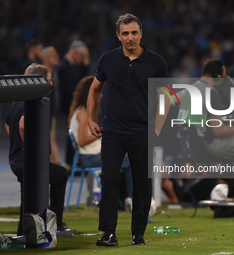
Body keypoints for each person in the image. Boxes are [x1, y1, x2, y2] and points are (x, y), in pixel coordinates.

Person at [87, 13, 168, 246]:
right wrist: (92, 119)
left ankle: (138, 234)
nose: (130, 37)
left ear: (141, 34)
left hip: (143, 132)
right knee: (110, 178)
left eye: (134, 32)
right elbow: (94, 90)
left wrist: (159, 127)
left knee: (143, 183)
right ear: (118, 36)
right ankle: (108, 233)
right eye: (125, 33)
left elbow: (167, 98)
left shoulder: (156, 62)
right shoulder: (107, 59)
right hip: (112, 131)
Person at [177, 59, 234, 202]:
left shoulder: (190, 90)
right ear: (219, 76)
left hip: (192, 146)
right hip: (207, 145)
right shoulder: (211, 92)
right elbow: (218, 130)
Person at [5, 63, 70, 235]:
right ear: (40, 81)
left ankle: (24, 232)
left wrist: (16, 144)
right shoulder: (34, 101)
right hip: (29, 160)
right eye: (49, 79)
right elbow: (22, 125)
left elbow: (7, 124)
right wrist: (30, 149)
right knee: (61, 175)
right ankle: (56, 223)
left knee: (26, 197)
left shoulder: (17, 100)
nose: (51, 83)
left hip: (16, 159)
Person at [68, 76, 133, 210]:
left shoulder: (83, 112)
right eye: (99, 91)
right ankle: (130, 198)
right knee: (131, 160)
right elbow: (82, 141)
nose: (102, 95)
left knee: (125, 158)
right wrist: (103, 133)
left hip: (93, 155)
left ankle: (125, 198)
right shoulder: (82, 113)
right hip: (89, 158)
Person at [56, 40, 90, 166]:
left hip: (73, 105)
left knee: (75, 133)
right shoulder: (64, 66)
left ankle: (74, 161)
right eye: (81, 57)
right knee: (73, 133)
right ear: (75, 52)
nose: (81, 60)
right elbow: (72, 88)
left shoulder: (71, 66)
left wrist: (84, 67)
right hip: (69, 105)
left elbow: (80, 82)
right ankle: (71, 162)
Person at [41, 46, 61, 165]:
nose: (57, 57)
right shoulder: (41, 73)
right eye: (54, 55)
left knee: (50, 137)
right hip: (44, 112)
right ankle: (57, 164)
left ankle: (57, 163)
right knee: (48, 138)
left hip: (51, 112)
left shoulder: (55, 72)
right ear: (46, 58)